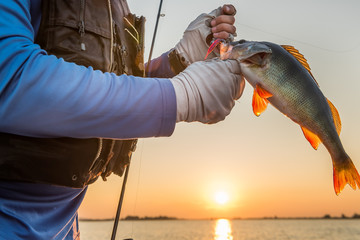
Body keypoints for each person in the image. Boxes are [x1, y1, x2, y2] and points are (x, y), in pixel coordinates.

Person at [0, 1, 244, 239]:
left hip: (66, 229)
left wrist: (179, 60)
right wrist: (182, 95)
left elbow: (109, 85)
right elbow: (10, 76)